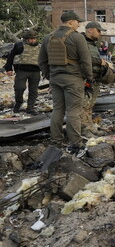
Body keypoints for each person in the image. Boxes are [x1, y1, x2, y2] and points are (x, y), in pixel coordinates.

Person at [38, 11, 93, 152]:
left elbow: (42, 61)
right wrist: (89, 78)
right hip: (73, 79)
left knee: (58, 110)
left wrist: (50, 76)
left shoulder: (48, 38)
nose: (79, 24)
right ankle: (75, 142)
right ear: (70, 22)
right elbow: (86, 61)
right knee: (73, 111)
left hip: (56, 79)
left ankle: (56, 140)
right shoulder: (77, 38)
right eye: (77, 22)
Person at [80, 21, 110, 137]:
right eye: (98, 31)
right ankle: (83, 129)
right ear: (90, 30)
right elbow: (83, 58)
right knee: (83, 105)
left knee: (90, 105)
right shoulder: (80, 42)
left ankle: (89, 126)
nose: (100, 33)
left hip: (95, 78)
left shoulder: (93, 44)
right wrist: (99, 62)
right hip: (85, 78)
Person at [4, 29, 42, 115]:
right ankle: (18, 103)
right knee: (19, 88)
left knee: (33, 91)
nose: (33, 40)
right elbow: (10, 57)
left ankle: (30, 108)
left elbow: (44, 59)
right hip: (22, 70)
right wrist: (8, 69)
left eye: (34, 39)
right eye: (30, 39)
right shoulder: (19, 46)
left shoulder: (40, 47)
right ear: (26, 39)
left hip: (35, 71)